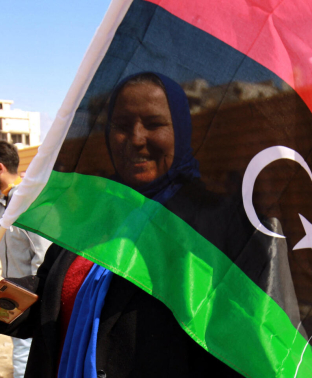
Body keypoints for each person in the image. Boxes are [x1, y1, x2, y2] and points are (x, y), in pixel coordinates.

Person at [0, 73, 245, 377]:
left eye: (154, 124)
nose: (137, 138)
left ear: (182, 130)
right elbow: (50, 295)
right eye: (122, 126)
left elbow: (238, 344)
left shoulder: (213, 224)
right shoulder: (95, 212)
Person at [0, 141, 51, 378]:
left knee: (24, 358)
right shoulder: (4, 203)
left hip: (28, 300)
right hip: (11, 298)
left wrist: (26, 298)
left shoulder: (29, 203)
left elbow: (43, 256)